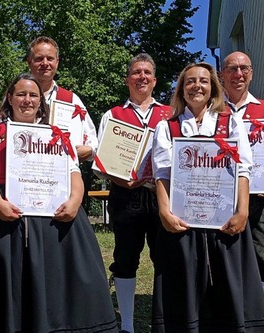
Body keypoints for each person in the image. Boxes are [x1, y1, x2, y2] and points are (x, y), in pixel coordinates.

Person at [0, 73, 118, 332]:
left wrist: (74, 201)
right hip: (1, 217)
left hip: (52, 215)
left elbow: (73, 173)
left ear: (41, 101)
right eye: (21, 94)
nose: (27, 100)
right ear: (10, 99)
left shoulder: (57, 134)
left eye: (33, 95)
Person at [151, 62, 264, 332]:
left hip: (224, 219)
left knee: (229, 285)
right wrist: (164, 212)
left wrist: (242, 212)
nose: (197, 86)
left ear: (213, 88)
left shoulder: (231, 122)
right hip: (182, 219)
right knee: (184, 288)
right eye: (190, 81)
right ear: (181, 89)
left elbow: (243, 168)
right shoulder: (167, 126)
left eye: (203, 81)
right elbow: (162, 174)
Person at [95, 53, 171, 333]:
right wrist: (121, 179)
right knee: (125, 257)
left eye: (147, 73)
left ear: (155, 80)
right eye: (137, 73)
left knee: (164, 257)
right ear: (128, 80)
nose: (142, 77)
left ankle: (162, 323)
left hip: (161, 194)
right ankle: (127, 324)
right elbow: (102, 160)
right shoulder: (113, 115)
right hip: (125, 195)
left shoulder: (170, 113)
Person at [220, 51, 264, 308]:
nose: (238, 74)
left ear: (251, 73)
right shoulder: (212, 109)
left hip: (257, 194)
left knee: (261, 252)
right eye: (232, 69)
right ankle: (227, 310)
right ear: (222, 74)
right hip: (221, 195)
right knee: (223, 254)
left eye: (244, 68)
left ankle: (261, 317)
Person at [26, 36, 98, 162]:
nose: (45, 63)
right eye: (39, 59)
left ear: (57, 62)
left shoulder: (71, 100)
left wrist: (89, 150)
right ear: (29, 62)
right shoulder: (17, 96)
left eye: (50, 58)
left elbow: (92, 140)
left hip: (64, 175)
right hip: (25, 171)